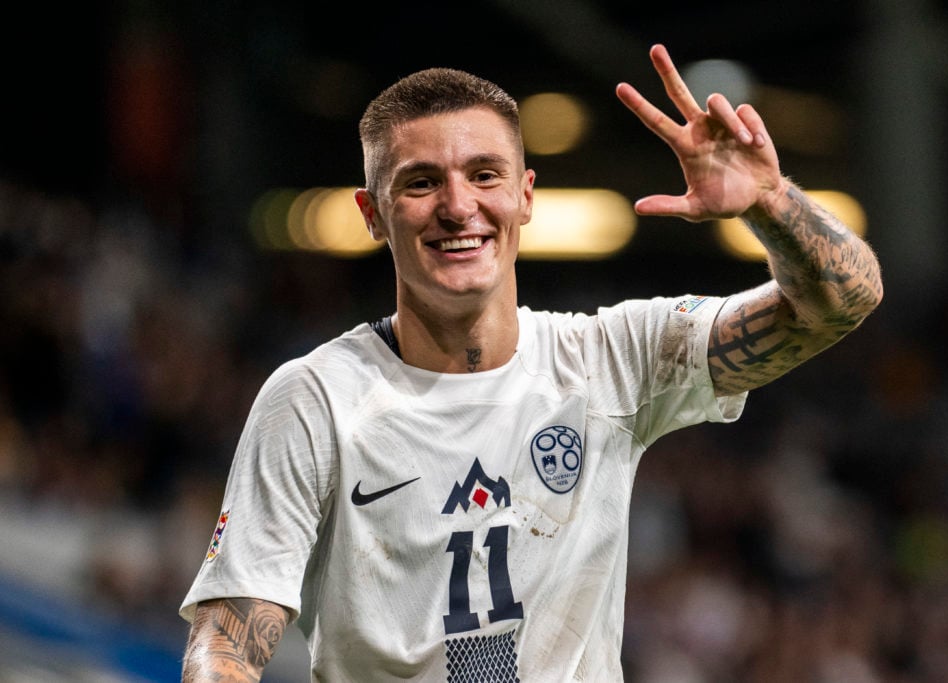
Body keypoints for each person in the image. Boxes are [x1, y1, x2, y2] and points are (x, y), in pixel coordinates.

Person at [179, 43, 882, 681]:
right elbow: (228, 641)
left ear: (524, 196)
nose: (459, 206)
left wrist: (771, 201)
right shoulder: (315, 398)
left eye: (484, 174)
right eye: (421, 182)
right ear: (371, 212)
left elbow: (842, 301)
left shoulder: (614, 357)